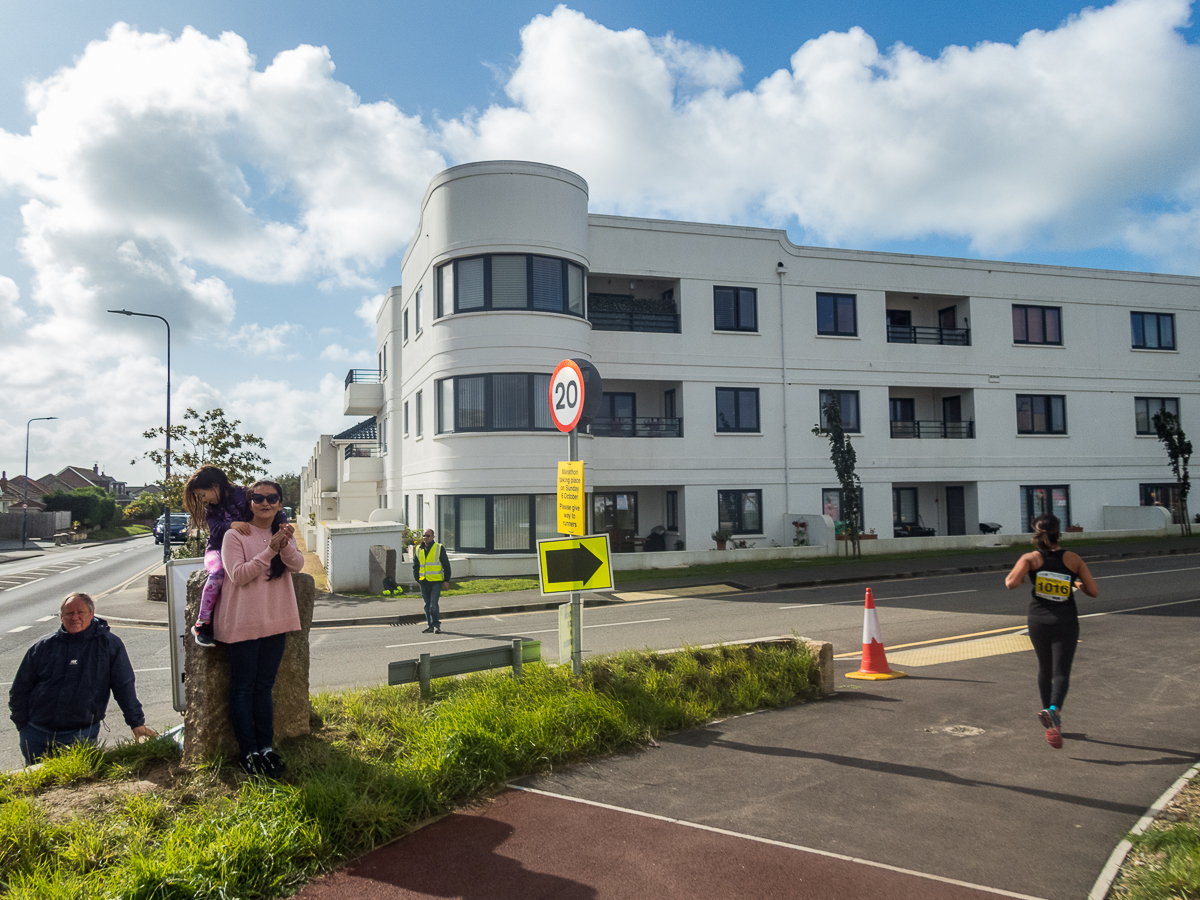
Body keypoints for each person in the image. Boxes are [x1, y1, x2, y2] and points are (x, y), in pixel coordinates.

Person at [216, 479, 303, 777]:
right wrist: (270, 551)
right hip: (244, 623)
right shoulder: (235, 535)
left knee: (264, 687)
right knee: (243, 688)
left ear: (280, 503)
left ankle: (266, 748)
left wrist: (284, 544)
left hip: (275, 621)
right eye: (259, 498)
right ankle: (248, 751)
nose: (265, 503)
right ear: (250, 501)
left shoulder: (282, 533)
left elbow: (298, 564)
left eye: (272, 498)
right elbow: (238, 575)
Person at [9, 593, 157, 764]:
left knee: (73, 787)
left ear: (92, 614)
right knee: (39, 789)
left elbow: (123, 686)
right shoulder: (43, 647)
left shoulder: (109, 645)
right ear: (61, 617)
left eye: (81, 612)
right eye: (69, 613)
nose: (75, 617)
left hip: (80, 735)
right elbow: (20, 689)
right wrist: (23, 726)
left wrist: (136, 723)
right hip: (36, 734)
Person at [1004, 514, 1099, 749]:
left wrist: (1025, 574)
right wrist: (1075, 582)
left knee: (1045, 669)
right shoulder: (1073, 559)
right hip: (1065, 621)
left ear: (1035, 534)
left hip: (1038, 620)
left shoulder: (1031, 558)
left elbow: (1010, 583)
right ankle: (1054, 711)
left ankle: (1051, 723)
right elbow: (1094, 591)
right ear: (1059, 534)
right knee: (1061, 672)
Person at [183, 465, 287, 649]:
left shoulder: (246, 495)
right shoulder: (212, 509)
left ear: (215, 485)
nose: (203, 500)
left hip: (246, 549)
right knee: (217, 573)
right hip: (216, 549)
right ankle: (202, 622)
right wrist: (231, 525)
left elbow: (271, 507)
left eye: (202, 494)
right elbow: (214, 529)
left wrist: (283, 528)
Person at [412, 528, 452, 634]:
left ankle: (436, 625)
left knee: (433, 605)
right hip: (423, 581)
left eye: (428, 536)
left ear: (433, 537)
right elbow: (416, 566)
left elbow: (446, 565)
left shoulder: (439, 547)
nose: (426, 538)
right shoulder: (418, 549)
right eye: (424, 536)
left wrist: (446, 580)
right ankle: (429, 626)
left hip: (436, 581)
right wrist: (417, 578)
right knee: (426, 605)